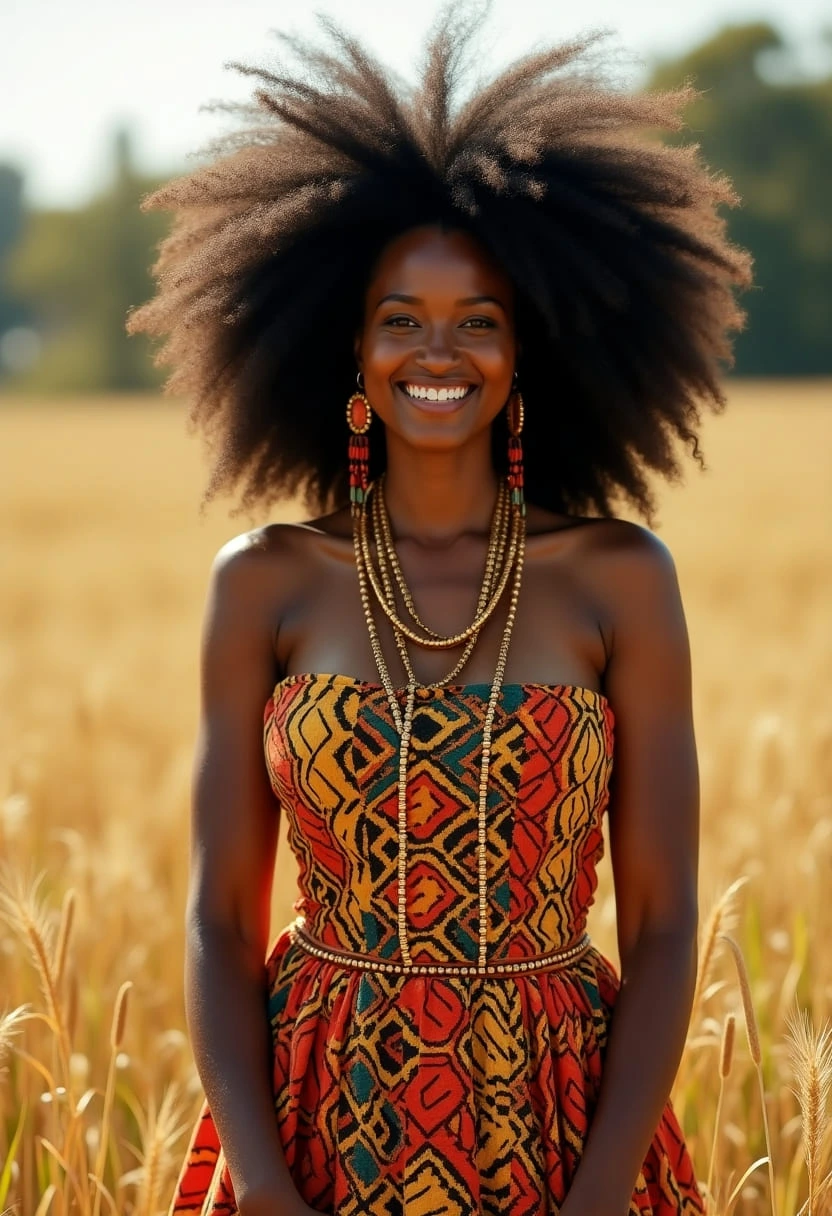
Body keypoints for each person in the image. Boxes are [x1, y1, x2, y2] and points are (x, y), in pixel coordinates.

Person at [128, 11, 751, 1215]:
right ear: (346, 347)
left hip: (564, 1121)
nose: (438, 351)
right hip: (312, 1119)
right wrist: (257, 1180)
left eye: (480, 321)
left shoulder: (618, 576)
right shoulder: (265, 580)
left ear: (530, 354)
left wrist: (607, 1180)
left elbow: (667, 921)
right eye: (400, 319)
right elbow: (216, 918)